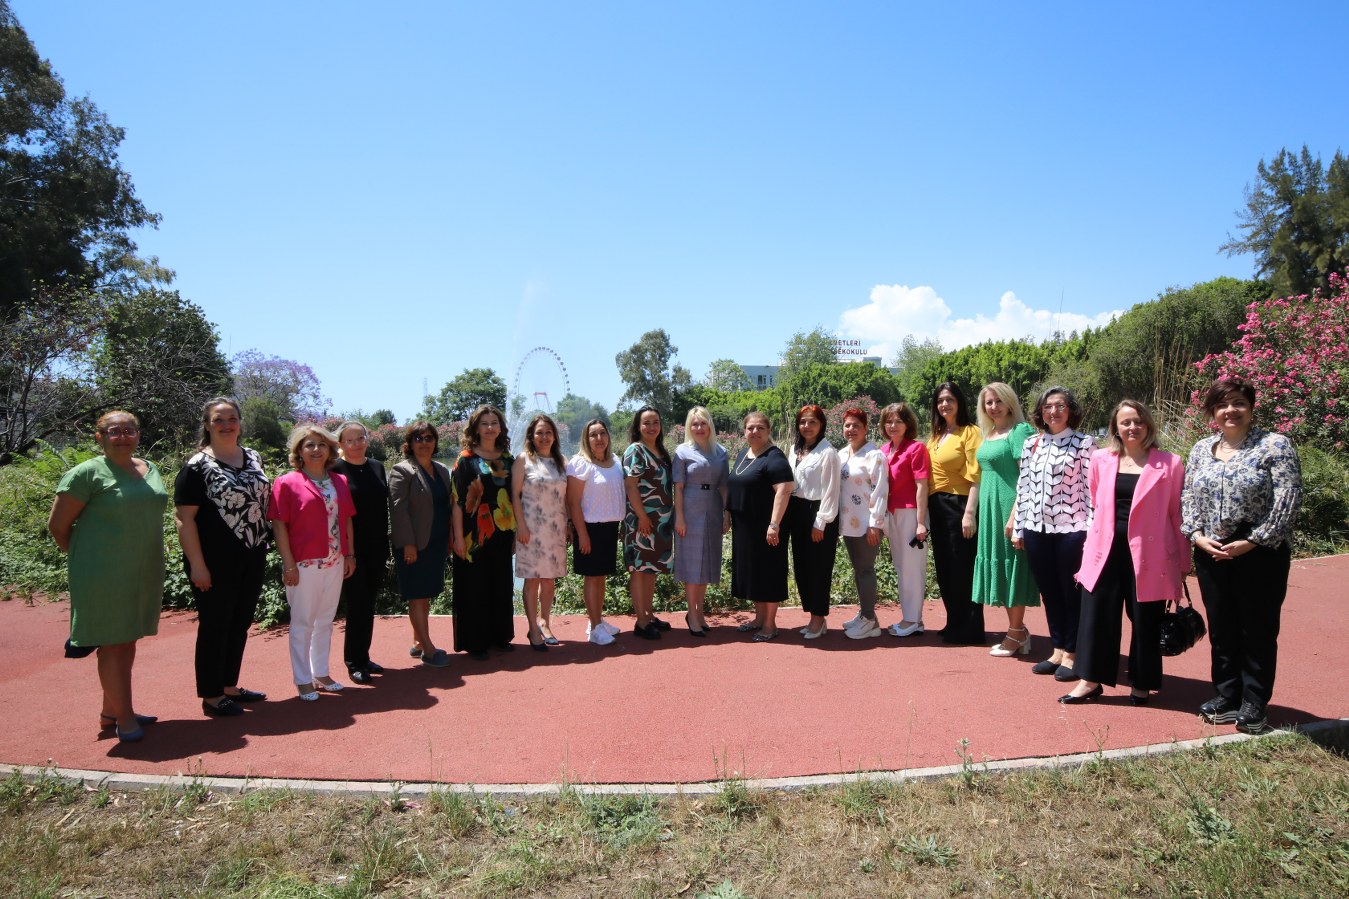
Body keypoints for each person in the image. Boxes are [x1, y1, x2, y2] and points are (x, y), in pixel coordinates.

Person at [1183, 378, 1302, 733]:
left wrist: (1253, 540)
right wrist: (1196, 536)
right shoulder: (1202, 449)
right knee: (1222, 626)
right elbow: (1188, 496)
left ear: (1251, 407)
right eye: (1222, 405)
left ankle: (1254, 702)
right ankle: (1227, 694)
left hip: (1259, 550)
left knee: (1257, 628)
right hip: (1211, 549)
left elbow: (1288, 498)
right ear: (1212, 413)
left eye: (1238, 403)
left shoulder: (1274, 446)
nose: (1230, 411)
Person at [48, 411, 167, 742]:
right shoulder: (86, 473)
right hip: (102, 574)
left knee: (126, 640)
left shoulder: (149, 468)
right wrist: (90, 559)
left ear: (139, 435)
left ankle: (110, 711)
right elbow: (58, 526)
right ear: (99, 438)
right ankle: (125, 718)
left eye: (129, 430)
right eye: (114, 432)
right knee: (113, 644)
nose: (123, 436)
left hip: (143, 568)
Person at [1061, 401, 1186, 705]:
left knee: (1145, 619)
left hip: (1151, 552)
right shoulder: (1101, 459)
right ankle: (1090, 680)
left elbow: (1175, 514)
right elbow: (1096, 501)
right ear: (1115, 427)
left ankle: (1142, 682)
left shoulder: (1170, 463)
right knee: (1096, 616)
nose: (1132, 428)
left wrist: (1182, 562)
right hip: (1105, 549)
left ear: (1149, 425)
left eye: (1138, 422)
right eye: (1126, 422)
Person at [174, 397, 271, 717]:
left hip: (252, 553)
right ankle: (212, 695)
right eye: (219, 419)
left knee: (240, 621)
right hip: (214, 560)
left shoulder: (253, 457)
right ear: (207, 424)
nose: (226, 425)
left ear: (240, 422)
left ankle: (229, 685)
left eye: (232, 418)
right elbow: (184, 519)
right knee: (215, 624)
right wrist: (198, 565)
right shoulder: (196, 466)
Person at [1013, 386, 1094, 681]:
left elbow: (1091, 492)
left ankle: (1073, 652)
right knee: (1049, 592)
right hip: (1037, 529)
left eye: (1060, 406)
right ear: (1041, 412)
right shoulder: (1032, 444)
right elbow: (1023, 488)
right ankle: (1058, 647)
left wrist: (1092, 532)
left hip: (1072, 530)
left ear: (1070, 410)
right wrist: (1019, 527)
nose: (1053, 411)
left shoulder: (1085, 444)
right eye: (1048, 407)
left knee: (1070, 594)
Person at [270, 425, 357, 699]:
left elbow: (347, 520)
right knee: (302, 622)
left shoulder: (339, 481)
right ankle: (302, 678)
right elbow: (279, 525)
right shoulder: (286, 482)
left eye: (321, 445)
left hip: (334, 561)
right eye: (309, 445)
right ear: (299, 451)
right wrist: (289, 564)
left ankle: (320, 671)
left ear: (330, 450)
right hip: (305, 564)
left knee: (325, 620)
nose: (316, 450)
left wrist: (349, 554)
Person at [972, 383, 1040, 657]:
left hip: (1008, 506)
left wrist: (1016, 515)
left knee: (1013, 566)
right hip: (989, 509)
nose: (994, 406)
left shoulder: (1019, 431)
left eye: (999, 401)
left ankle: (1015, 633)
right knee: (1001, 566)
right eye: (988, 402)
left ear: (1010, 402)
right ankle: (1018, 630)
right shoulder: (988, 433)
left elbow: (1027, 477)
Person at [451, 405, 517, 660]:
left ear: (501, 427)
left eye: (494, 423)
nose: (490, 428)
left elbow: (513, 498)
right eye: (484, 423)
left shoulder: (508, 458)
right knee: (474, 587)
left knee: (501, 584)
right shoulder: (466, 459)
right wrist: (458, 537)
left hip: (502, 530)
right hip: (472, 534)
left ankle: (500, 636)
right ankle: (475, 642)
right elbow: (457, 502)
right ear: (476, 428)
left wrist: (515, 532)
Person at [388, 421, 453, 668]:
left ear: (435, 442)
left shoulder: (442, 470)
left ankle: (417, 642)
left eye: (428, 438)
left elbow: (446, 506)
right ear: (410, 443)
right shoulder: (401, 470)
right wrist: (408, 544)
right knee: (416, 596)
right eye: (418, 438)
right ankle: (427, 648)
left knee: (425, 596)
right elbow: (398, 510)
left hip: (435, 543)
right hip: (413, 545)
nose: (424, 442)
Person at [727, 412, 795, 641]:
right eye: (750, 428)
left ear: (768, 431)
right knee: (754, 573)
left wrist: (774, 524)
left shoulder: (774, 457)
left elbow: (784, 490)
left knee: (769, 573)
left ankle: (769, 624)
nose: (754, 432)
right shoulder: (743, 454)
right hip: (745, 527)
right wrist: (728, 513)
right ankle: (758, 618)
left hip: (767, 528)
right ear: (744, 431)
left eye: (760, 428)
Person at [926, 382, 985, 645]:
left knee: (963, 568)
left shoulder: (970, 432)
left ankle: (971, 628)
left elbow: (976, 474)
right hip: (937, 506)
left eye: (949, 399)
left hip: (959, 504)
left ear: (959, 402)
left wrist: (969, 513)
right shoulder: (937, 434)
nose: (944, 405)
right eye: (940, 400)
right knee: (945, 568)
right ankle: (954, 621)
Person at [332, 422, 390, 684]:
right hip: (351, 549)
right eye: (349, 440)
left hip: (377, 546)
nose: (356, 443)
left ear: (367, 438)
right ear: (341, 444)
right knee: (356, 604)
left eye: (360, 438)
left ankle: (364, 657)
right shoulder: (335, 470)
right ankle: (353, 662)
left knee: (368, 604)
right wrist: (346, 552)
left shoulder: (377, 466)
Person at [566, 419, 627, 645]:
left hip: (610, 528)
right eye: (593, 435)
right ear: (586, 439)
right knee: (592, 578)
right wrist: (582, 534)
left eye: (602, 433)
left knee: (600, 577)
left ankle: (597, 621)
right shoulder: (581, 463)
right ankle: (594, 629)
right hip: (589, 528)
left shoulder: (616, 462)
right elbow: (573, 503)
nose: (599, 438)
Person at [511, 414, 569, 650]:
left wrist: (570, 525)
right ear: (531, 437)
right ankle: (533, 628)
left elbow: (567, 497)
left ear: (554, 435)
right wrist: (521, 526)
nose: (544, 437)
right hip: (531, 529)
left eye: (548, 432)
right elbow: (515, 495)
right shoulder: (523, 460)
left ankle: (545, 621)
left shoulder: (561, 461)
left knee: (549, 578)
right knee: (532, 579)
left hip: (555, 528)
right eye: (539, 433)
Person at [673, 406, 729, 636]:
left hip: (713, 507)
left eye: (702, 423)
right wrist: (680, 517)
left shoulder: (721, 451)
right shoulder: (682, 451)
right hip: (690, 506)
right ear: (689, 427)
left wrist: (727, 513)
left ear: (709, 426)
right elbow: (678, 486)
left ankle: (700, 610)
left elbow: (724, 484)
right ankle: (691, 613)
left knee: (706, 562)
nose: (699, 428)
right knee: (692, 563)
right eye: (694, 424)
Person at [788, 404, 841, 640]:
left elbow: (832, 490)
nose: (807, 426)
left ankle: (818, 619)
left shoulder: (828, 452)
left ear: (821, 425)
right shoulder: (795, 449)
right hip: (797, 511)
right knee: (802, 567)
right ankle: (813, 615)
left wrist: (821, 521)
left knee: (818, 568)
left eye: (812, 422)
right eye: (802, 422)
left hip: (818, 512)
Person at [623, 406, 676, 640]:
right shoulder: (636, 450)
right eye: (646, 423)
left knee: (651, 569)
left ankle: (649, 614)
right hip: (641, 521)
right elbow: (631, 486)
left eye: (655, 422)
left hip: (660, 521)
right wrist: (642, 516)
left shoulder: (660, 451)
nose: (652, 427)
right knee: (639, 570)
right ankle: (641, 621)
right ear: (638, 426)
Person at [877, 402, 930, 637]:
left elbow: (921, 487)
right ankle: (909, 617)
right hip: (891, 514)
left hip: (910, 513)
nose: (893, 425)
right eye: (889, 421)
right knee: (901, 566)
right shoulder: (884, 450)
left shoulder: (916, 449)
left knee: (912, 568)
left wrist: (921, 522)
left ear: (908, 424)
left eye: (898, 421)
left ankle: (913, 620)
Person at [836, 408, 889, 640]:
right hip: (848, 522)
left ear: (866, 428)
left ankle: (869, 619)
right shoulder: (841, 454)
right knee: (858, 569)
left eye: (856, 425)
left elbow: (880, 491)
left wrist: (875, 524)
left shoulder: (874, 455)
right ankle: (866, 615)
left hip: (867, 524)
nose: (851, 430)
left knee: (866, 569)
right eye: (847, 425)